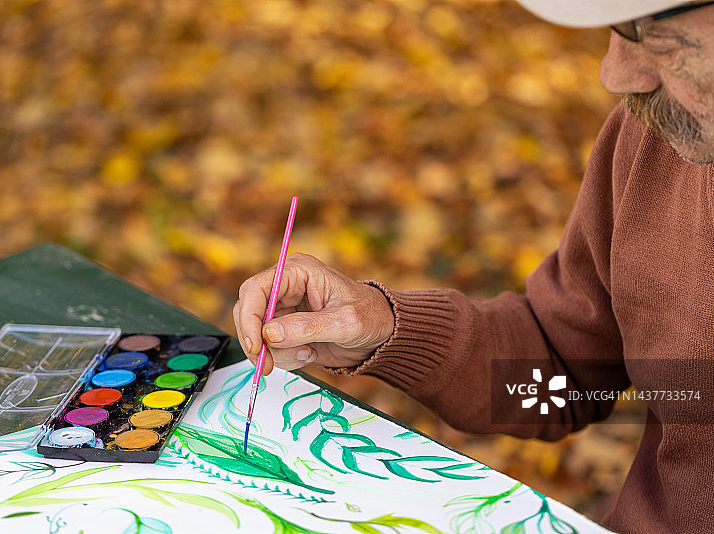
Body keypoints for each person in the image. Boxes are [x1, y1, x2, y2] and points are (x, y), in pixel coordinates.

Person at [233, 1, 714, 532]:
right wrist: (386, 329)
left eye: (659, 36)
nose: (615, 73)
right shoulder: (652, 145)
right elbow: (562, 370)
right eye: (618, 28)